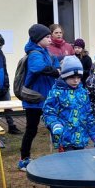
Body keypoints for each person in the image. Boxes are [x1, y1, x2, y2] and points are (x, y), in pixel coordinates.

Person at [18, 24, 60, 171]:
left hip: (47, 97)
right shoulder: (35, 53)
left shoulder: (45, 52)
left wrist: (57, 67)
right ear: (38, 39)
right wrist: (56, 71)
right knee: (31, 129)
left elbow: (55, 63)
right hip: (35, 99)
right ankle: (24, 159)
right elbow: (38, 67)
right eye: (47, 37)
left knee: (55, 126)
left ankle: (61, 155)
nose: (50, 39)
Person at [43, 56, 95, 152]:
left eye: (78, 77)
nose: (76, 81)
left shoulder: (83, 93)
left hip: (81, 139)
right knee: (68, 161)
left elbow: (88, 115)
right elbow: (48, 112)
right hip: (64, 140)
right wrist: (54, 124)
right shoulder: (56, 93)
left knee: (79, 161)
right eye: (72, 77)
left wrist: (94, 135)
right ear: (64, 76)